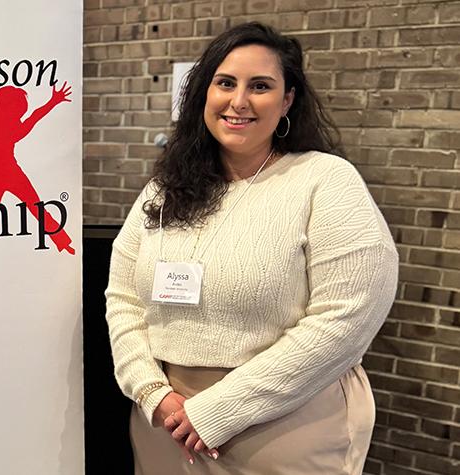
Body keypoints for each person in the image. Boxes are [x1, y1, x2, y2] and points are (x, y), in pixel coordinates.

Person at [105, 22, 398, 474]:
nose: (239, 101)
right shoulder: (165, 189)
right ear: (204, 94)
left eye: (260, 86)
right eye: (225, 83)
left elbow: (348, 315)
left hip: (283, 422)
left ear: (287, 101)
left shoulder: (325, 180)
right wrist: (151, 391)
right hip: (166, 422)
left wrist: (219, 410)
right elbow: (123, 298)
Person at [0, 25, 75, 290]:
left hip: (3, 172)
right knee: (2, 218)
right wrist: (53, 101)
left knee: (22, 210)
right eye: (19, 107)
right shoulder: (1, 119)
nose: (22, 111)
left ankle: (61, 241)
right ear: (11, 106)